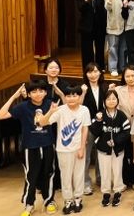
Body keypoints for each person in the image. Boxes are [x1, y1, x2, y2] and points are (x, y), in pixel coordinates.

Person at [0, 81, 57, 216]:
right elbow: (0, 115)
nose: (38, 94)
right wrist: (14, 96)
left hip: (48, 144)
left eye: (41, 91)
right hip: (30, 146)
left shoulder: (50, 104)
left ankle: (49, 201)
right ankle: (29, 204)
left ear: (45, 92)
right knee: (31, 176)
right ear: (28, 94)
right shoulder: (23, 107)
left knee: (48, 173)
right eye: (34, 91)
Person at [40, 86, 90, 215]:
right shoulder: (60, 110)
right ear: (65, 97)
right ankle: (68, 200)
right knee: (65, 176)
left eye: (74, 95)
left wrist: (82, 148)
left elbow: (85, 129)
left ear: (79, 97)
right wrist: (51, 111)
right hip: (63, 150)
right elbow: (42, 123)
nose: (71, 98)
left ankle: (78, 199)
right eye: (68, 96)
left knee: (78, 175)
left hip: (78, 148)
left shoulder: (84, 110)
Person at [89, 89, 130, 207]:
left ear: (117, 101)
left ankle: (117, 192)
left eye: (114, 99)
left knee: (117, 171)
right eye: (108, 99)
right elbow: (94, 131)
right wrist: (98, 121)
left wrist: (116, 141)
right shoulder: (100, 115)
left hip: (118, 150)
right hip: (103, 150)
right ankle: (106, 193)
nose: (111, 101)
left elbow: (127, 131)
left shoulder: (121, 115)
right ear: (104, 101)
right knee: (105, 172)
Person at [111, 66, 134, 189]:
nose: (130, 78)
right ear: (124, 77)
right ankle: (124, 180)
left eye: (133, 75)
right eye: (127, 76)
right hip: (122, 128)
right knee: (123, 154)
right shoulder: (117, 90)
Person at [80, 63, 105, 196]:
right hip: (87, 126)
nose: (93, 74)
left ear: (100, 73)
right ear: (86, 74)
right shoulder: (82, 88)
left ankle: (100, 179)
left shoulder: (104, 87)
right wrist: (83, 93)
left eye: (95, 71)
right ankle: (86, 183)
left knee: (101, 154)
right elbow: (78, 106)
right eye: (90, 72)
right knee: (86, 156)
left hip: (101, 125)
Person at [77, 0, 107, 70]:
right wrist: (86, 0)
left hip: (99, 26)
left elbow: (104, 10)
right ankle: (88, 68)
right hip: (86, 27)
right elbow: (81, 9)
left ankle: (100, 67)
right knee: (87, 49)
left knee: (100, 48)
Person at [105, 0, 128, 76]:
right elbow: (107, 8)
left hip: (126, 25)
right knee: (113, 47)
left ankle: (122, 67)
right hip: (114, 24)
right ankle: (113, 68)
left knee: (123, 48)